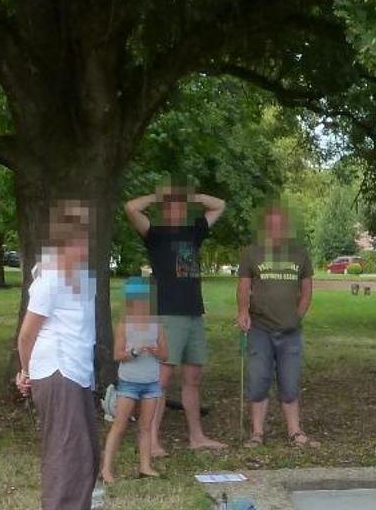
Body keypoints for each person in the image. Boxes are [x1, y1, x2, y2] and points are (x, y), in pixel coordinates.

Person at [14, 200, 101, 510]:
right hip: (57, 369)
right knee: (67, 449)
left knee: (85, 450)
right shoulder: (48, 279)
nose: (86, 245)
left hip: (77, 371)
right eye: (80, 238)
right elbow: (26, 335)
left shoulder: (80, 278)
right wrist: (26, 372)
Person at [124, 181, 225, 453]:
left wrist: (191, 196)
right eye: (173, 205)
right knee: (162, 380)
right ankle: (152, 441)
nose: (178, 209)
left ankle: (197, 438)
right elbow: (131, 207)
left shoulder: (194, 232)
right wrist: (159, 196)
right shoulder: (154, 233)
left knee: (193, 378)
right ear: (165, 209)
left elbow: (219, 206)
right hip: (167, 313)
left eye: (181, 205)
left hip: (194, 312)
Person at [236, 203, 315, 445]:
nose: (275, 230)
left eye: (280, 225)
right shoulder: (252, 253)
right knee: (258, 380)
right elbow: (244, 286)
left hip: (290, 331)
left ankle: (295, 432)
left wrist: (296, 316)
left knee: (289, 382)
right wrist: (242, 311)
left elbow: (307, 291)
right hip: (260, 328)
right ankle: (257, 433)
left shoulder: (300, 255)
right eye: (271, 225)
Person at [101, 277, 167, 484]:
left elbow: (165, 354)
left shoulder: (156, 325)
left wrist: (157, 351)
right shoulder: (124, 325)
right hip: (129, 382)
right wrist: (133, 352)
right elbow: (117, 355)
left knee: (146, 426)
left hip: (151, 382)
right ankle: (106, 469)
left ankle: (145, 466)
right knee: (119, 425)